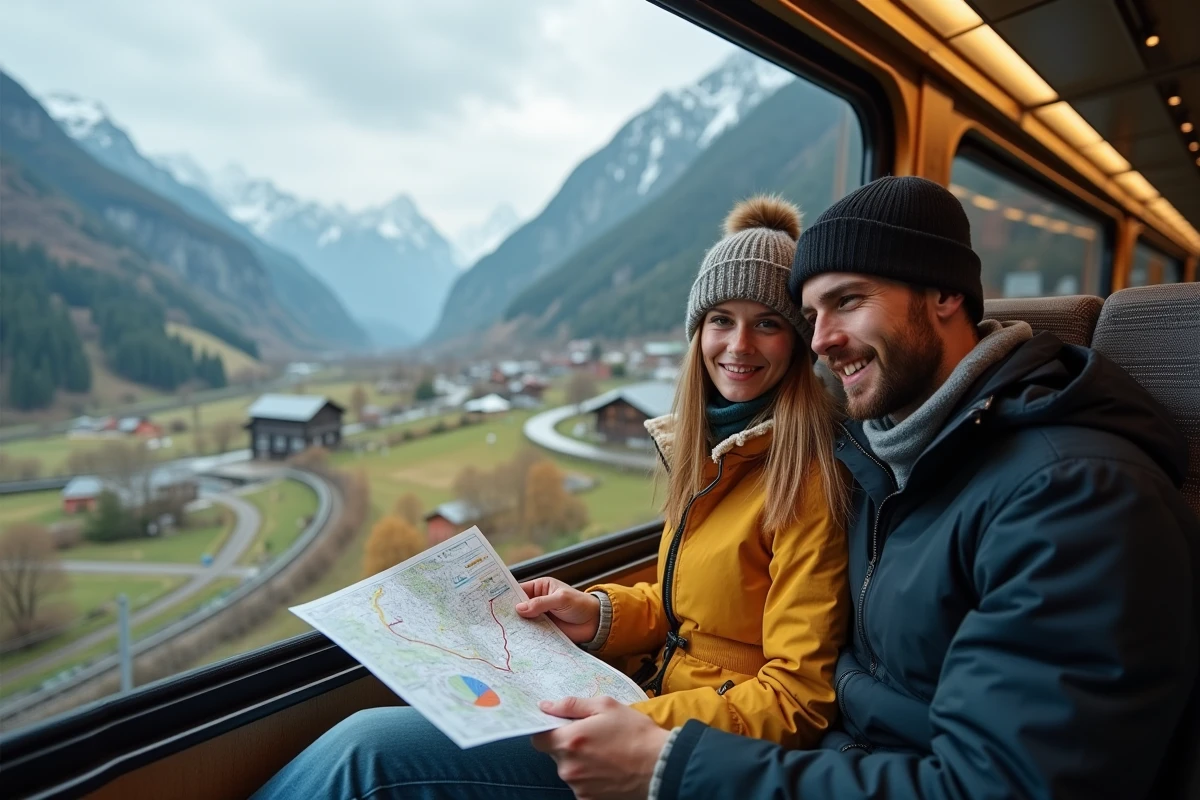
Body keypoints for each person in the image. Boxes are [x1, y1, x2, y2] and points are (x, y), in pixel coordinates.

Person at [530, 175, 1199, 800]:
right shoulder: (890, 461)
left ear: (944, 294)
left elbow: (999, 783)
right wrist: (604, 617)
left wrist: (677, 765)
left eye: (846, 301)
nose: (820, 341)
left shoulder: (1077, 496)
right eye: (812, 312)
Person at [252, 195, 852, 799]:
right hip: (644, 703)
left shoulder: (808, 480)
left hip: (675, 742)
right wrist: (596, 615)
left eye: (768, 323)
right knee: (366, 742)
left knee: (369, 757)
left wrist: (636, 726)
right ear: (697, 334)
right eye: (721, 320)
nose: (739, 345)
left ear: (800, 343)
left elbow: (797, 699)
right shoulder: (717, 453)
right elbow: (694, 612)